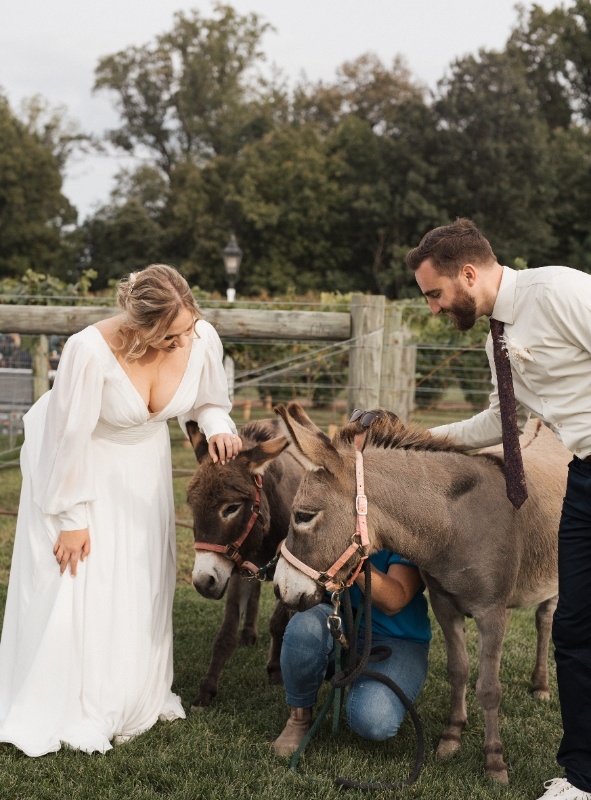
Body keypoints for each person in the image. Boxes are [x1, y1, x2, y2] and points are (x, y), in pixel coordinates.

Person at [0, 264, 242, 756]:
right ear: (140, 326)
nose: (182, 343)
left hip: (143, 474)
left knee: (139, 581)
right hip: (79, 471)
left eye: (187, 329)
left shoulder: (199, 337)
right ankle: (76, 698)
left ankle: (136, 693)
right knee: (81, 584)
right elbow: (66, 439)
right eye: (170, 335)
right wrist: (71, 519)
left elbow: (208, 399)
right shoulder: (87, 351)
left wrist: (217, 423)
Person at [406, 218, 591, 800]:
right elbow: (499, 421)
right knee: (574, 628)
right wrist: (415, 439)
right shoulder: (497, 338)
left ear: (468, 274)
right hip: (582, 476)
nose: (433, 308)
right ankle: (583, 779)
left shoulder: (558, 291)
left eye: (434, 293)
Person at [272, 549, 431, 756]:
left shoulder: (407, 521)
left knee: (374, 720)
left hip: (396, 638)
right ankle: (298, 719)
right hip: (341, 619)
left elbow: (395, 600)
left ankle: (369, 682)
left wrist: (353, 564)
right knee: (305, 629)